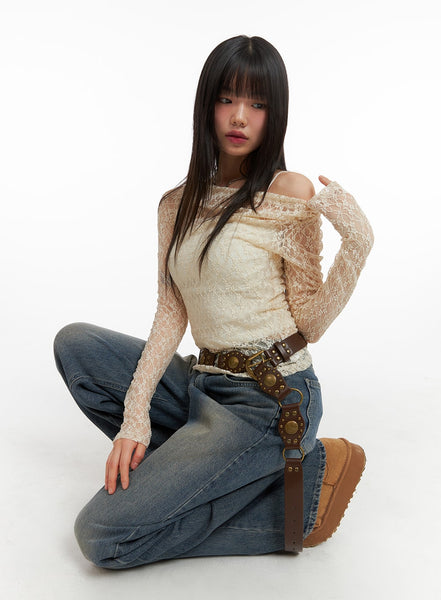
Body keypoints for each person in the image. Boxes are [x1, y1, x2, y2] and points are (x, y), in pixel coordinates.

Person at [54, 35, 374, 568]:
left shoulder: (287, 193)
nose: (240, 117)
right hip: (203, 384)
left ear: (275, 115)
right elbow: (171, 312)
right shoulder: (176, 204)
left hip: (268, 400)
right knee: (77, 345)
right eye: (227, 99)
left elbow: (311, 324)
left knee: (101, 536)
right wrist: (135, 417)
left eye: (257, 104)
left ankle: (300, 497)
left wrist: (357, 242)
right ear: (207, 105)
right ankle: (226, 472)